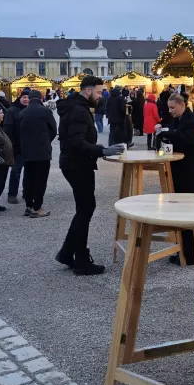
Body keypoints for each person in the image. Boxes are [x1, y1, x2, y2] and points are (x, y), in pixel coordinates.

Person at [56, 76, 124, 275]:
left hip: (75, 164)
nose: (100, 95)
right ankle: (81, 259)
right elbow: (77, 143)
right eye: (98, 92)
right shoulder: (78, 110)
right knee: (85, 209)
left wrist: (101, 150)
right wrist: (102, 150)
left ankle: (68, 253)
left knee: (84, 209)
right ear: (87, 91)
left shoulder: (78, 107)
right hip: (77, 165)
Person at [156, 92, 194, 265]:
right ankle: (183, 250)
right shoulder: (175, 119)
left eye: (172, 108)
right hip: (177, 169)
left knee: (190, 210)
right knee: (179, 211)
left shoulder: (191, 120)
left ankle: (191, 254)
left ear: (182, 105)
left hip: (190, 171)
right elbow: (168, 132)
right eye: (168, 107)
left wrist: (167, 133)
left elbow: (189, 141)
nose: (170, 111)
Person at [18, 89, 57, 217]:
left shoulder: (23, 112)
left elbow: (19, 131)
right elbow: (53, 130)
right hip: (42, 152)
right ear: (41, 99)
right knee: (41, 180)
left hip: (27, 152)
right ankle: (37, 207)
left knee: (29, 179)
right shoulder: (45, 111)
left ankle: (28, 206)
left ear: (29, 99)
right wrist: (46, 141)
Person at [3, 89, 30, 204]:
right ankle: (12, 194)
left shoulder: (32, 110)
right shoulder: (12, 111)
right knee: (15, 171)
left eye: (28, 97)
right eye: (24, 97)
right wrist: (12, 145)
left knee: (29, 172)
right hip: (17, 147)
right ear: (20, 98)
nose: (26, 99)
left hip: (30, 147)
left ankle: (27, 192)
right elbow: (8, 129)